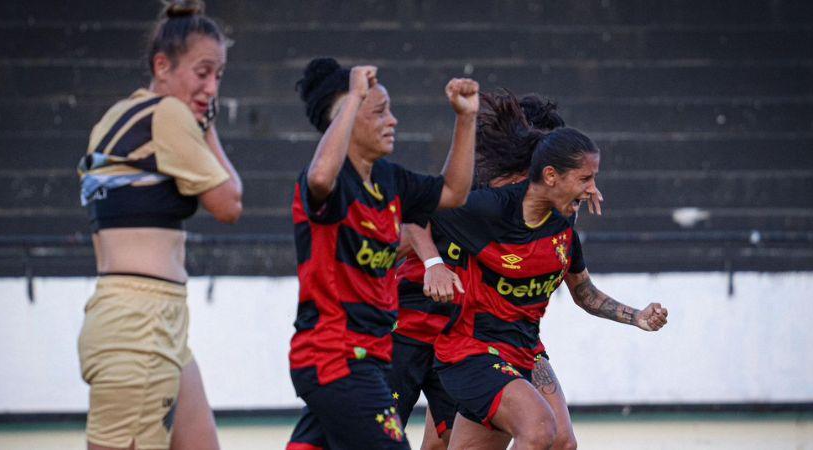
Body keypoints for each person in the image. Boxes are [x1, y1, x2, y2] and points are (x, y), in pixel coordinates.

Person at [424, 96, 668, 450]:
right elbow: (420, 209)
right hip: (472, 350)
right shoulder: (490, 207)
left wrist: (638, 317)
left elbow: (585, 294)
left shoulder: (563, 225)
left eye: (593, 177)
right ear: (550, 175)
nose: (593, 188)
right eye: (585, 177)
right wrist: (434, 265)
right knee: (536, 430)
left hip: (524, 352)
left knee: (561, 443)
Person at [285, 57, 479, 450]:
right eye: (379, 111)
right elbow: (321, 176)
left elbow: (453, 193)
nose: (393, 120)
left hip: (366, 357)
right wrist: (356, 93)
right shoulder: (329, 181)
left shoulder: (390, 179)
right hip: (336, 357)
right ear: (349, 116)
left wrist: (466, 119)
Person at [76, 1, 242, 449]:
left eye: (219, 76)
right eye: (202, 72)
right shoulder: (167, 115)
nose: (211, 87)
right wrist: (207, 129)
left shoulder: (113, 118)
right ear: (162, 66)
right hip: (140, 324)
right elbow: (229, 202)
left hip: (141, 319)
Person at [391, 92, 598, 450]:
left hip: (466, 336)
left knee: (446, 440)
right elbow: (412, 220)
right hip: (413, 323)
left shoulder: (539, 209)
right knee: (380, 434)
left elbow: (571, 281)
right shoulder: (472, 191)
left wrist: (579, 192)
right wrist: (430, 262)